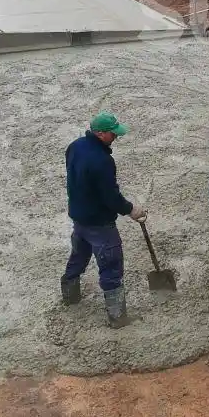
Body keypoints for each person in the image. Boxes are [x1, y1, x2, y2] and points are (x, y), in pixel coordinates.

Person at [60, 112, 146, 327]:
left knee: (78, 256)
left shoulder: (75, 146)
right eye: (112, 134)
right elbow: (111, 197)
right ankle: (117, 317)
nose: (116, 137)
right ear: (100, 133)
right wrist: (131, 210)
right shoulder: (103, 161)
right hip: (100, 223)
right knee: (111, 266)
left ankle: (70, 297)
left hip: (79, 217)